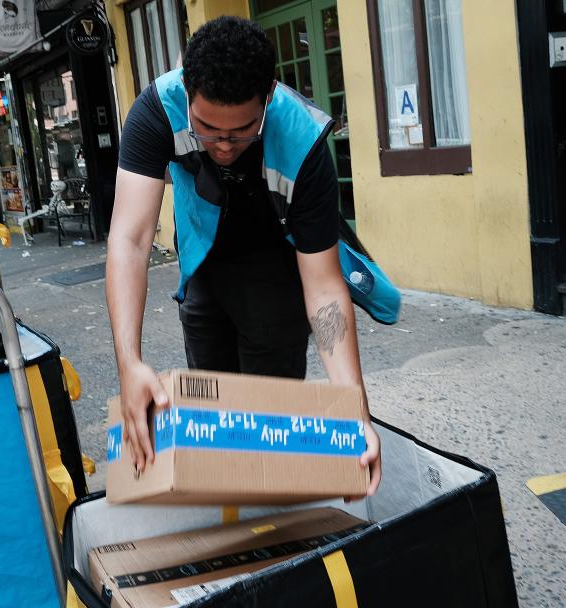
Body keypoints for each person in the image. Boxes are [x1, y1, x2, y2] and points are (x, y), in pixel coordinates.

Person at [105, 16, 386, 496]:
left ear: (269, 98)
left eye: (241, 132)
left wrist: (352, 406)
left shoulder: (305, 139)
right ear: (186, 90)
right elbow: (129, 240)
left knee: (271, 417)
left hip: (278, 269)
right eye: (208, 129)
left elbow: (322, 287)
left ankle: (272, 521)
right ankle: (226, 509)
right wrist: (129, 363)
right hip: (204, 258)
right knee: (210, 404)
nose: (224, 146)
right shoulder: (155, 111)